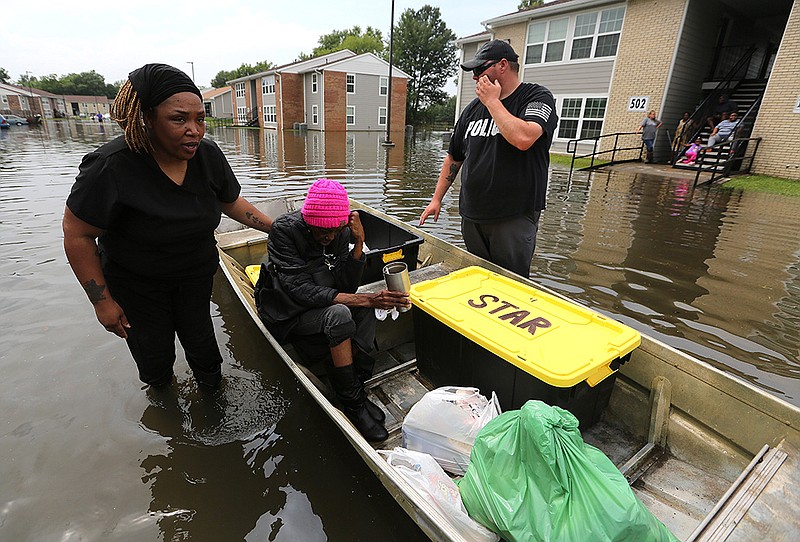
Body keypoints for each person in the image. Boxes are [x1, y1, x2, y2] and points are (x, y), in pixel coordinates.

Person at [62, 63, 273, 390]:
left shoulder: (207, 155)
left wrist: (276, 228)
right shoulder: (110, 166)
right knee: (155, 361)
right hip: (136, 286)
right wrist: (102, 302)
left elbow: (230, 202)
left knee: (204, 352)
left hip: (195, 276)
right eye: (179, 119)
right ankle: (167, 415)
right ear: (146, 119)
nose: (195, 130)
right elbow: (77, 233)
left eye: (200, 119)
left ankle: (211, 397)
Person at [254, 179, 409, 442]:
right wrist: (367, 299)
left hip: (319, 300)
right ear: (308, 221)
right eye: (322, 231)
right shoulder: (284, 231)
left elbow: (346, 284)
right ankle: (353, 404)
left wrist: (359, 243)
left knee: (364, 307)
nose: (329, 237)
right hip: (287, 310)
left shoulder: (339, 232)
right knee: (342, 314)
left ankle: (353, 386)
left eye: (335, 231)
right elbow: (299, 290)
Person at [419, 40, 557, 278]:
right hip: (472, 215)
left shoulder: (536, 97)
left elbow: (523, 138)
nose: (475, 77)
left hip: (512, 216)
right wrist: (436, 199)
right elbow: (454, 157)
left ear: (502, 65)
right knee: (481, 279)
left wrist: (493, 101)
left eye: (479, 70)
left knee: (512, 285)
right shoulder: (473, 109)